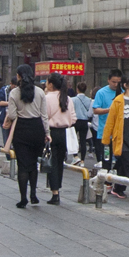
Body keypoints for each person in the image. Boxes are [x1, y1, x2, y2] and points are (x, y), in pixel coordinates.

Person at [4, 65, 47, 209]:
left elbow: (12, 115)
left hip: (21, 129)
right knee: (33, 163)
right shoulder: (40, 92)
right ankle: (33, 195)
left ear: (19, 76)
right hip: (37, 129)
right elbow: (44, 115)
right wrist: (47, 133)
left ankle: (23, 198)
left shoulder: (14, 93)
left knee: (22, 165)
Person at [42, 74, 73, 204]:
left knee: (52, 162)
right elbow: (73, 118)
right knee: (59, 162)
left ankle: (55, 193)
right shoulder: (67, 98)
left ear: (50, 84)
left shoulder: (46, 98)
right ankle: (57, 188)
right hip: (64, 133)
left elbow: (43, 117)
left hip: (51, 133)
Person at [72, 80, 97, 168]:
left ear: (77, 89)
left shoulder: (73, 99)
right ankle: (82, 160)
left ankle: (75, 156)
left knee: (74, 139)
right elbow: (90, 112)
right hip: (84, 121)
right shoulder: (89, 100)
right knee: (83, 141)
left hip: (75, 121)